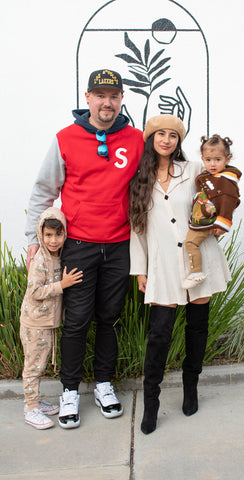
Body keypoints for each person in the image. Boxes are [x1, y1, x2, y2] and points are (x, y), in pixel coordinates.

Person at [25, 69, 144, 429]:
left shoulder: (136, 139)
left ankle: (104, 385)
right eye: (99, 95)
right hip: (77, 246)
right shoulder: (66, 138)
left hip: (119, 245)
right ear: (88, 98)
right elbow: (43, 191)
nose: (106, 102)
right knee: (75, 322)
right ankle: (70, 391)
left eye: (113, 96)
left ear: (121, 99)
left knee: (109, 318)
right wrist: (33, 242)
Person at [129, 114, 232, 435]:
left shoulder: (193, 170)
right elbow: (138, 229)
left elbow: (221, 194)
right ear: (151, 138)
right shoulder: (139, 178)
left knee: (197, 329)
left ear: (178, 141)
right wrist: (140, 269)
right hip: (162, 264)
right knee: (159, 335)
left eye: (172, 135)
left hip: (198, 259)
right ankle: (151, 403)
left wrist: (220, 223)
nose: (166, 140)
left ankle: (191, 387)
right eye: (160, 134)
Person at [21, 207, 83, 429]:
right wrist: (62, 285)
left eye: (58, 234)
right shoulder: (40, 260)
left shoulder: (58, 257)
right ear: (40, 234)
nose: (53, 240)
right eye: (48, 235)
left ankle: (35, 402)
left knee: (41, 362)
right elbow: (35, 292)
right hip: (35, 323)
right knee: (34, 366)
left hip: (46, 323)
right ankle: (31, 408)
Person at [182, 134, 241, 289]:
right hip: (203, 215)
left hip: (209, 220)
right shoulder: (210, 176)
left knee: (191, 242)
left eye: (217, 159)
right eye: (208, 160)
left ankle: (196, 274)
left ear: (227, 160)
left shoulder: (225, 182)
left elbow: (228, 203)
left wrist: (222, 224)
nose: (212, 164)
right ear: (203, 159)